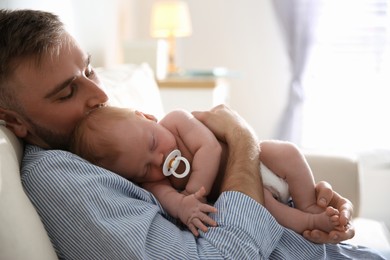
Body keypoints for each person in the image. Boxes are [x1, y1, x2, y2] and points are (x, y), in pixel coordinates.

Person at [0, 8, 385, 259]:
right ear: (14, 120)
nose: (100, 94)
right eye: (68, 92)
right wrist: (242, 138)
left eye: (89, 71)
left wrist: (308, 201)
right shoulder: (60, 177)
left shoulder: (115, 133)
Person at [70, 106, 342, 237]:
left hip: (257, 160)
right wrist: (185, 207)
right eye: (144, 167)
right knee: (267, 207)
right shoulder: (153, 184)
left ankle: (308, 205)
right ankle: (309, 223)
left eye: (153, 143)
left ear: (148, 117)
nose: (159, 159)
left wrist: (192, 192)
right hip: (245, 191)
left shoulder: (176, 121)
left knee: (288, 152)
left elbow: (209, 148)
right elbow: (173, 203)